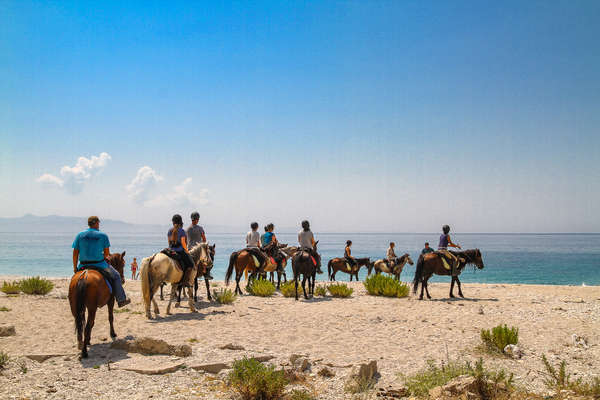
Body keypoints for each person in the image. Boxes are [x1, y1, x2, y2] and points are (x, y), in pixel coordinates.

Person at [72, 216, 130, 307]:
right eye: (98, 223)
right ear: (96, 223)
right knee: (116, 276)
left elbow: (75, 253)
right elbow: (107, 254)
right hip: (99, 264)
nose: (99, 225)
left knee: (74, 281)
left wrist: (75, 267)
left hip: (83, 265)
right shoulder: (103, 235)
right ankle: (121, 299)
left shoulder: (79, 235)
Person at [168, 214, 195, 286]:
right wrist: (187, 251)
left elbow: (169, 242)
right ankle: (185, 281)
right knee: (191, 265)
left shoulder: (169, 230)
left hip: (171, 251)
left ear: (173, 222)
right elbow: (183, 243)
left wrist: (171, 249)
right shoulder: (182, 231)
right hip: (179, 251)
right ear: (180, 222)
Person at [186, 211, 212, 280]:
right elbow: (204, 239)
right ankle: (207, 273)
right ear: (197, 219)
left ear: (192, 219)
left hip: (190, 249)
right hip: (199, 250)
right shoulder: (200, 228)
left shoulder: (187, 229)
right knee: (209, 258)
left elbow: (186, 241)